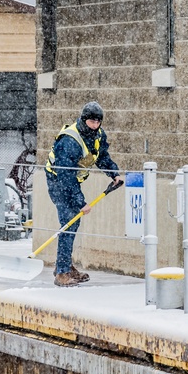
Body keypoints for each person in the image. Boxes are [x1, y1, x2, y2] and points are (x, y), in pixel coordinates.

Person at [44, 101, 124, 287]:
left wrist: (114, 173)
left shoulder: (98, 135)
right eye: (91, 122)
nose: (95, 125)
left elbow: (101, 156)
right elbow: (66, 176)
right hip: (58, 181)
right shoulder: (69, 141)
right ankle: (62, 273)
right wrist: (81, 202)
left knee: (73, 222)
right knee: (69, 221)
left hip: (71, 182)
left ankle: (63, 265)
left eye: (98, 122)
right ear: (83, 119)